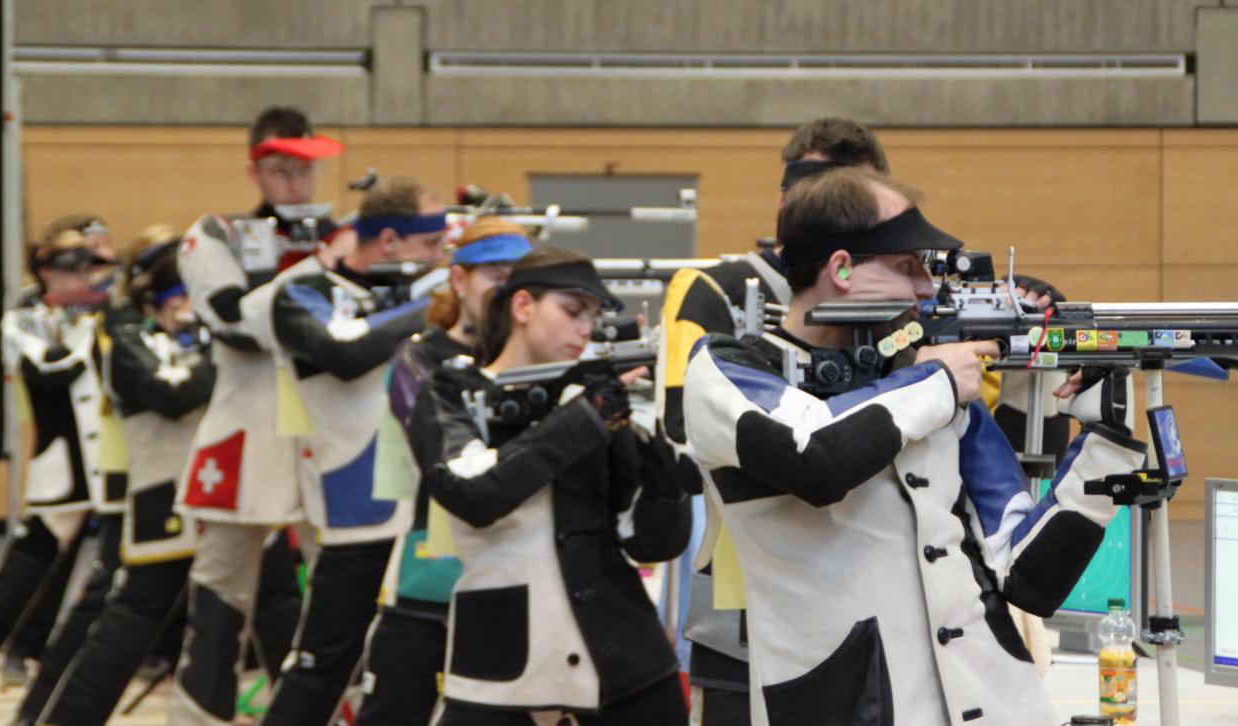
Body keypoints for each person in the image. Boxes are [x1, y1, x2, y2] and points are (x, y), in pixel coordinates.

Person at [681, 168, 1148, 726]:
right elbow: (815, 457)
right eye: (908, 267)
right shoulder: (729, 370)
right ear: (841, 269)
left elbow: (1030, 578)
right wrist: (939, 382)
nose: (927, 289)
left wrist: (1104, 440)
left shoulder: (926, 385)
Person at [657, 117, 888, 724]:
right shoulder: (711, 288)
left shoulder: (901, 306)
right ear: (785, 199)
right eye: (822, 193)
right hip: (745, 608)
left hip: (872, 606)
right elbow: (679, 439)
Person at [410, 247, 692, 725]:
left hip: (626, 661)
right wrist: (585, 417)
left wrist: (661, 448)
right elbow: (472, 494)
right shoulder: (453, 388)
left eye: (593, 318)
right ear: (523, 306)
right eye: (572, 311)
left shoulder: (592, 397)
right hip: (501, 666)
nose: (585, 329)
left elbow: (650, 541)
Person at [170, 107, 343, 725]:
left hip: (332, 439)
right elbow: (230, 318)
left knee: (345, 598)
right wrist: (324, 273)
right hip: (245, 438)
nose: (294, 183)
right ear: (254, 171)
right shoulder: (216, 234)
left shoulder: (340, 237)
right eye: (279, 170)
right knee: (218, 602)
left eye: (304, 169)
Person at [255, 176, 449, 726]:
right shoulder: (301, 291)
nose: (438, 258)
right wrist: (445, 303)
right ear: (388, 240)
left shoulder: (412, 294)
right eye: (430, 245)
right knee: (323, 664)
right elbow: (346, 350)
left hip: (431, 504)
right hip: (356, 504)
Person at [31, 230, 216, 725]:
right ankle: (39, 715)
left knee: (257, 608)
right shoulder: (124, 331)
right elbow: (173, 395)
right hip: (143, 492)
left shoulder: (189, 336)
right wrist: (220, 356)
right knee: (118, 612)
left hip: (213, 489)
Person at [355, 217, 534, 726]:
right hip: (431, 571)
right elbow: (448, 455)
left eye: (519, 279)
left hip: (515, 568)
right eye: (495, 275)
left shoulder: (537, 359)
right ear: (459, 279)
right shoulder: (420, 357)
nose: (507, 291)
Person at [0, 228, 123, 720]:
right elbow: (49, 368)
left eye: (88, 268)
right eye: (70, 269)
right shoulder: (23, 319)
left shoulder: (109, 315)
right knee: (20, 577)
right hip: (62, 471)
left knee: (128, 578)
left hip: (114, 465)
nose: (82, 278)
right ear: (46, 273)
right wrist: (88, 328)